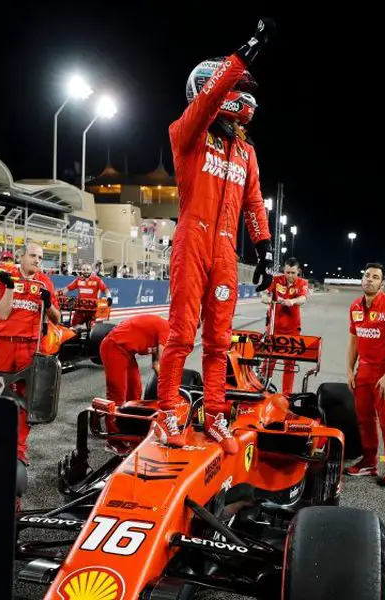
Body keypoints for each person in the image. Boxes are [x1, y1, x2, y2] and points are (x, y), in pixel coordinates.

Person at [156, 18, 276, 454]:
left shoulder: (246, 152)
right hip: (193, 240)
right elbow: (209, 100)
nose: (245, 99)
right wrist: (242, 54)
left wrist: (264, 249)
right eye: (237, 88)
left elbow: (255, 203)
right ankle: (166, 410)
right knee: (181, 335)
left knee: (219, 342)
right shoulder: (188, 133)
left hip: (225, 248)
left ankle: (216, 416)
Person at [0, 243, 59, 464]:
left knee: (26, 397)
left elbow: (57, 318)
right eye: (33, 255)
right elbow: (1, 313)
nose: (37, 260)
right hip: (4, 343)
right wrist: (10, 288)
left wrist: (48, 304)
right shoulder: (6, 276)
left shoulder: (44, 282)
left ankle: (19, 447)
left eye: (40, 257)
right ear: (22, 257)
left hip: (30, 347)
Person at [345, 263, 385, 487]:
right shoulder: (355, 306)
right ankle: (369, 462)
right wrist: (350, 370)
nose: (369, 279)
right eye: (366, 275)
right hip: (364, 371)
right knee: (364, 420)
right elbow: (354, 340)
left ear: (382, 283)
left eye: (375, 277)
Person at [261, 257, 309, 395]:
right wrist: (272, 300)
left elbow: (303, 299)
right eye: (287, 272)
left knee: (289, 365)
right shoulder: (276, 280)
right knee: (268, 362)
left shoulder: (302, 283)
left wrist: (292, 302)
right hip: (273, 328)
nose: (290, 276)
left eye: (293, 273)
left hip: (292, 330)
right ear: (284, 270)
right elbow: (263, 296)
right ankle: (262, 390)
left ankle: (286, 395)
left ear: (298, 271)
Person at [100, 314, 170, 405]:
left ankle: (133, 418)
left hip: (127, 353)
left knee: (134, 392)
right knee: (117, 395)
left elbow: (156, 364)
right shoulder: (167, 329)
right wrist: (171, 389)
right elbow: (163, 364)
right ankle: (112, 419)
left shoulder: (163, 333)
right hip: (114, 346)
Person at [65, 263, 112, 329]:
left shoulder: (97, 280)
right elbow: (68, 288)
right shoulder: (78, 280)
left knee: (94, 329)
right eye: (84, 269)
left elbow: (105, 290)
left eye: (87, 269)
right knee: (73, 327)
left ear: (91, 270)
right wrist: (58, 294)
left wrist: (109, 297)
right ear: (81, 271)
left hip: (94, 309)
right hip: (80, 309)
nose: (86, 271)